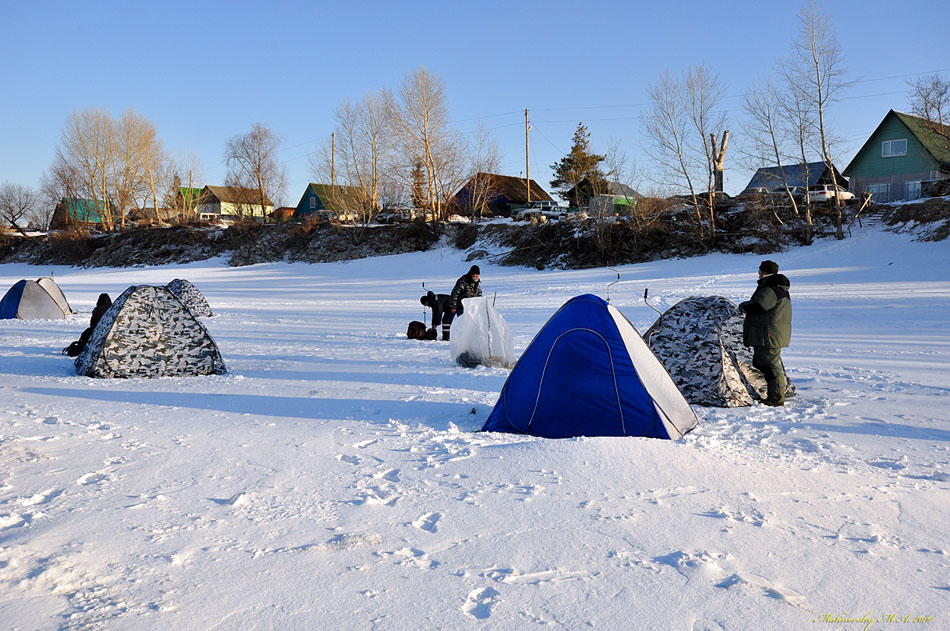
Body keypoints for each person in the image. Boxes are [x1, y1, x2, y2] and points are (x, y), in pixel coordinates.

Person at [739, 260, 792, 406]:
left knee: (770, 366)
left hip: (768, 334)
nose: (758, 273)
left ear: (764, 272)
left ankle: (776, 398)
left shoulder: (770, 288)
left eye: (759, 271)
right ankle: (776, 393)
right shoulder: (778, 287)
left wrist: (744, 306)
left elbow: (760, 306)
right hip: (772, 333)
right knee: (763, 363)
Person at [63, 293, 112, 357]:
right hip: (110, 331)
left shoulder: (97, 310)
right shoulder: (113, 310)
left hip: (97, 332)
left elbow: (92, 323)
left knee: (86, 333)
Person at [449, 265, 483, 330]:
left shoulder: (476, 283)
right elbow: (455, 293)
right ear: (470, 274)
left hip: (473, 307)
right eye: (474, 275)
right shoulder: (463, 281)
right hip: (462, 307)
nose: (476, 277)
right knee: (464, 325)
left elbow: (479, 294)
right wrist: (453, 306)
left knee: (473, 325)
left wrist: (481, 304)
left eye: (477, 275)